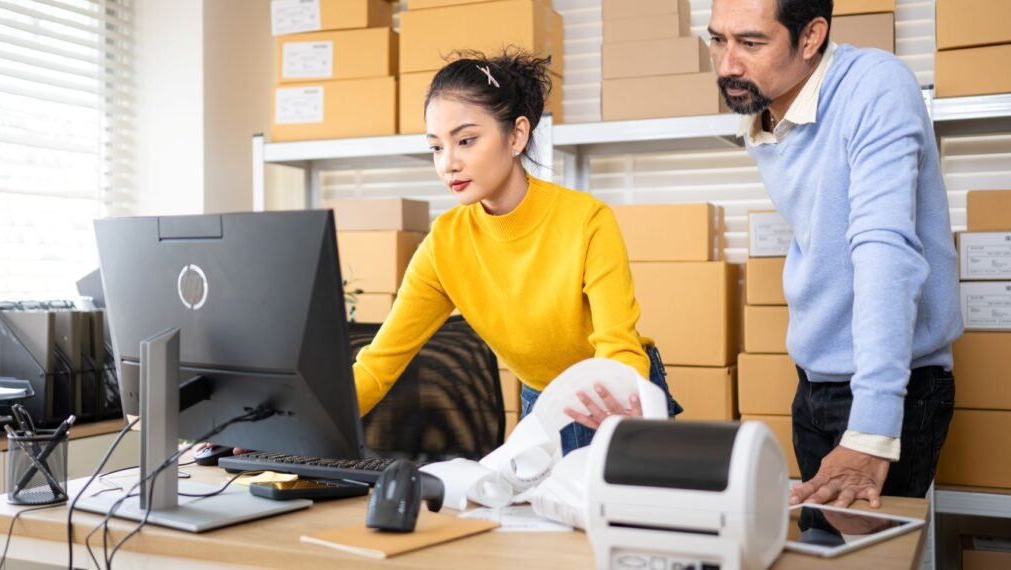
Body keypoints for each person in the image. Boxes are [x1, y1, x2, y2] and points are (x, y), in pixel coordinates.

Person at [352, 50, 681, 455]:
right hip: (541, 403)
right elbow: (378, 363)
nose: (448, 164)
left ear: (517, 135)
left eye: (466, 141)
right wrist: (286, 428)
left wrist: (624, 413)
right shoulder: (445, 244)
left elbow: (618, 346)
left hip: (616, 397)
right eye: (436, 148)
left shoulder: (586, 220)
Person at [708, 0, 963, 507]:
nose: (727, 65)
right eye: (718, 39)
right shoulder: (769, 105)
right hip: (815, 382)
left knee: (864, 558)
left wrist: (871, 430)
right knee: (819, 552)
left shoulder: (875, 86)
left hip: (892, 387)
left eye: (751, 43)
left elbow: (884, 251)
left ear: (810, 37)